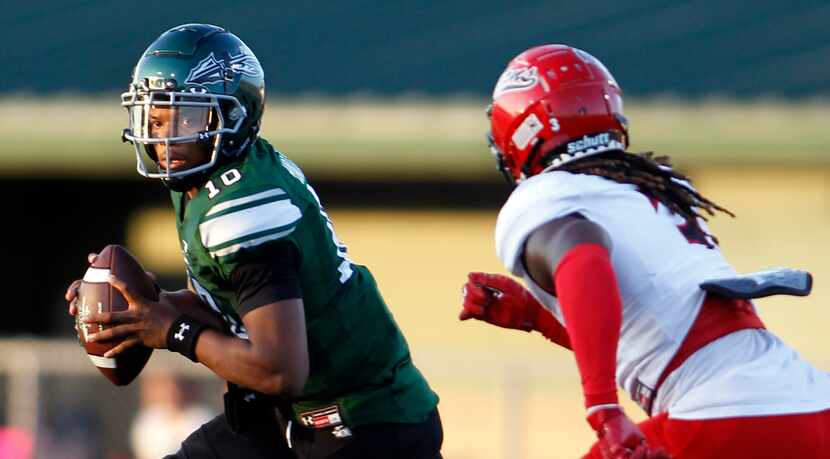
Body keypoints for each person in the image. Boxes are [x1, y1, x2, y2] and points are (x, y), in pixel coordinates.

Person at [65, 23, 441, 459]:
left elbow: (280, 369)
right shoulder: (210, 178)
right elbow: (234, 306)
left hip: (363, 425)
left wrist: (173, 329)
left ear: (234, 115)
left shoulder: (243, 211)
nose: (164, 136)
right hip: (291, 416)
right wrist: (144, 309)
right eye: (156, 117)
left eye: (183, 117)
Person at [459, 44, 830, 459]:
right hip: (812, 404)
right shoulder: (650, 189)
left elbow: (582, 257)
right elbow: (660, 337)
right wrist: (537, 317)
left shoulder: (546, 196)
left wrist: (603, 411)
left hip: (728, 412)